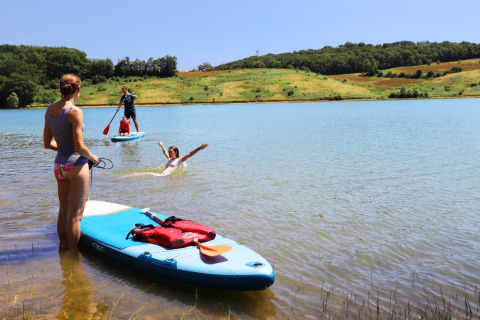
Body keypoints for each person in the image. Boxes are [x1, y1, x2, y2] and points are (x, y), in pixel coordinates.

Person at [43, 73, 99, 253]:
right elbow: (79, 146)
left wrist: (63, 151)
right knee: (75, 216)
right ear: (78, 90)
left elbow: (47, 143)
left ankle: (63, 249)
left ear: (61, 88)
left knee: (63, 211)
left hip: (59, 166)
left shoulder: (50, 109)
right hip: (76, 166)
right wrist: (92, 157)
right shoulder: (75, 111)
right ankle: (74, 256)